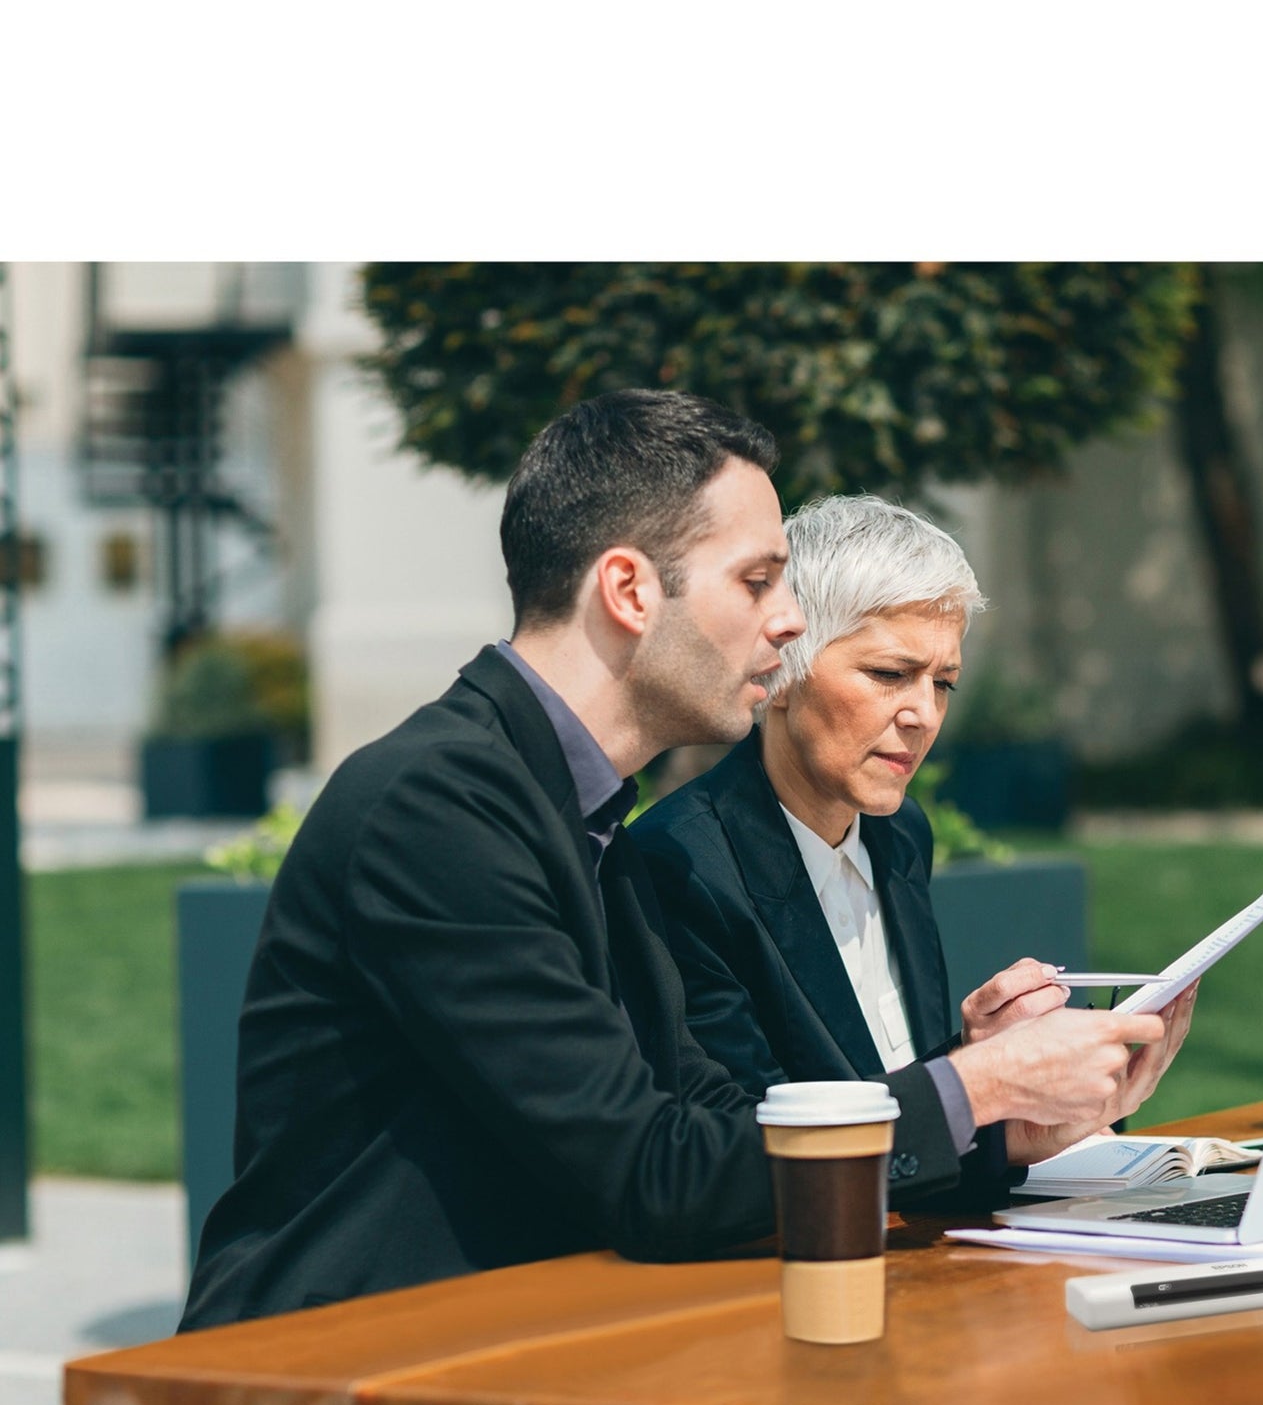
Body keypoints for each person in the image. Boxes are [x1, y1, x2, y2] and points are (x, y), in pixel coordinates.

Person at [180, 392, 1186, 1330]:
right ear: (626, 589)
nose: (788, 621)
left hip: (501, 1361)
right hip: (327, 1393)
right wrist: (977, 1082)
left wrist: (1007, 1120)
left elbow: (725, 1134)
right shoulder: (440, 809)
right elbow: (654, 1176)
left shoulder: (582, 814)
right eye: (756, 582)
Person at [631, 493, 1196, 1212]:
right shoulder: (680, 865)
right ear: (780, 670)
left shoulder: (900, 835)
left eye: (944, 683)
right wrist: (982, 1081)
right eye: (889, 675)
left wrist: (997, 1076)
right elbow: (752, 1155)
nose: (923, 714)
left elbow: (894, 1105)